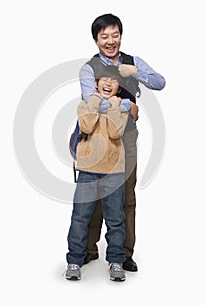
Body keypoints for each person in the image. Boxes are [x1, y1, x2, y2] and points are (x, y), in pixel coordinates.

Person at [79, 13, 166, 272]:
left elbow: (160, 82)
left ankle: (125, 253)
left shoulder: (132, 62)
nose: (110, 40)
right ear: (96, 39)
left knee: (126, 194)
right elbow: (90, 101)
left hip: (126, 136)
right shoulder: (89, 68)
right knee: (94, 193)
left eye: (114, 35)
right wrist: (129, 104)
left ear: (120, 36)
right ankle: (88, 249)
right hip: (96, 135)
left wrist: (136, 72)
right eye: (104, 36)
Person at [65, 65, 129, 282]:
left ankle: (116, 261)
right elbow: (87, 125)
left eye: (114, 80)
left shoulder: (120, 108)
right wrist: (94, 101)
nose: (109, 83)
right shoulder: (85, 104)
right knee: (80, 218)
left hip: (114, 172)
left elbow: (114, 131)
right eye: (104, 79)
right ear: (95, 83)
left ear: (119, 86)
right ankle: (74, 260)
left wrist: (113, 106)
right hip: (87, 171)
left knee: (116, 220)